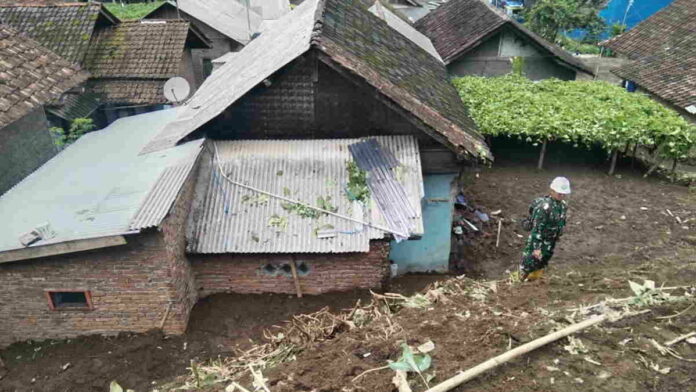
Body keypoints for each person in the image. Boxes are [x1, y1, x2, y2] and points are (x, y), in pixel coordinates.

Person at [519, 177, 570, 281]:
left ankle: (532, 284)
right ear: (552, 191)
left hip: (551, 241)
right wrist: (536, 248)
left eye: (563, 194)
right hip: (539, 241)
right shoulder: (544, 207)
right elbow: (536, 229)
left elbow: (561, 222)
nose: (562, 196)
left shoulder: (563, 206)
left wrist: (558, 235)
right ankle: (518, 283)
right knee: (529, 264)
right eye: (559, 193)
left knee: (542, 263)